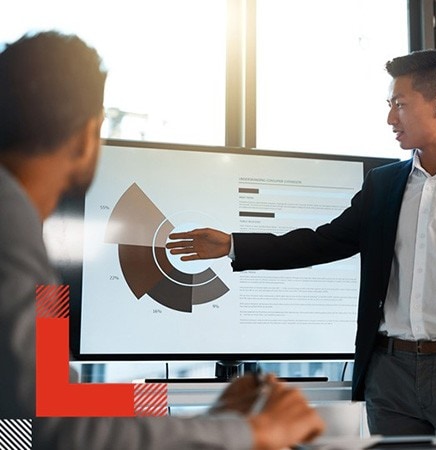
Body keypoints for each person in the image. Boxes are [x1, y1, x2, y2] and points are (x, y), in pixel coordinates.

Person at [167, 49, 436, 441]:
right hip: (389, 376)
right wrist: (233, 244)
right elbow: (321, 242)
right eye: (390, 106)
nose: (391, 119)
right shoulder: (383, 184)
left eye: (400, 105)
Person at [0, 31, 324, 449]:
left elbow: (41, 408)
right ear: (85, 138)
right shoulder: (11, 227)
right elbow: (47, 428)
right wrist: (255, 432)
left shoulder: (22, 228)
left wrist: (214, 422)